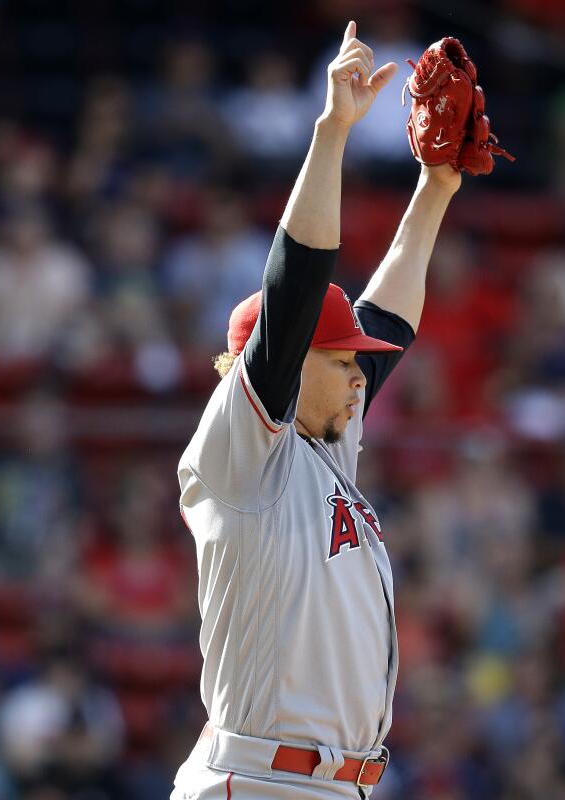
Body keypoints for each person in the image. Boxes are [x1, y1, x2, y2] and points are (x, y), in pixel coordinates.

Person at [172, 21, 463, 799]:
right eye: (343, 362)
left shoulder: (324, 451)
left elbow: (389, 322)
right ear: (289, 360)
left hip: (336, 786)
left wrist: (435, 188)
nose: (363, 378)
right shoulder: (242, 452)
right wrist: (333, 133)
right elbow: (296, 282)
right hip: (259, 780)